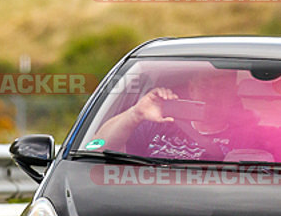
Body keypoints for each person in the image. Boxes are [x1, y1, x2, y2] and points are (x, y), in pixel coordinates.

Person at [94, 69, 268, 161]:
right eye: (205, 86)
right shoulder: (159, 123)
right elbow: (96, 148)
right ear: (191, 89)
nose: (212, 95)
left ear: (234, 93)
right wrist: (136, 113)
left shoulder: (249, 138)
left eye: (221, 87)